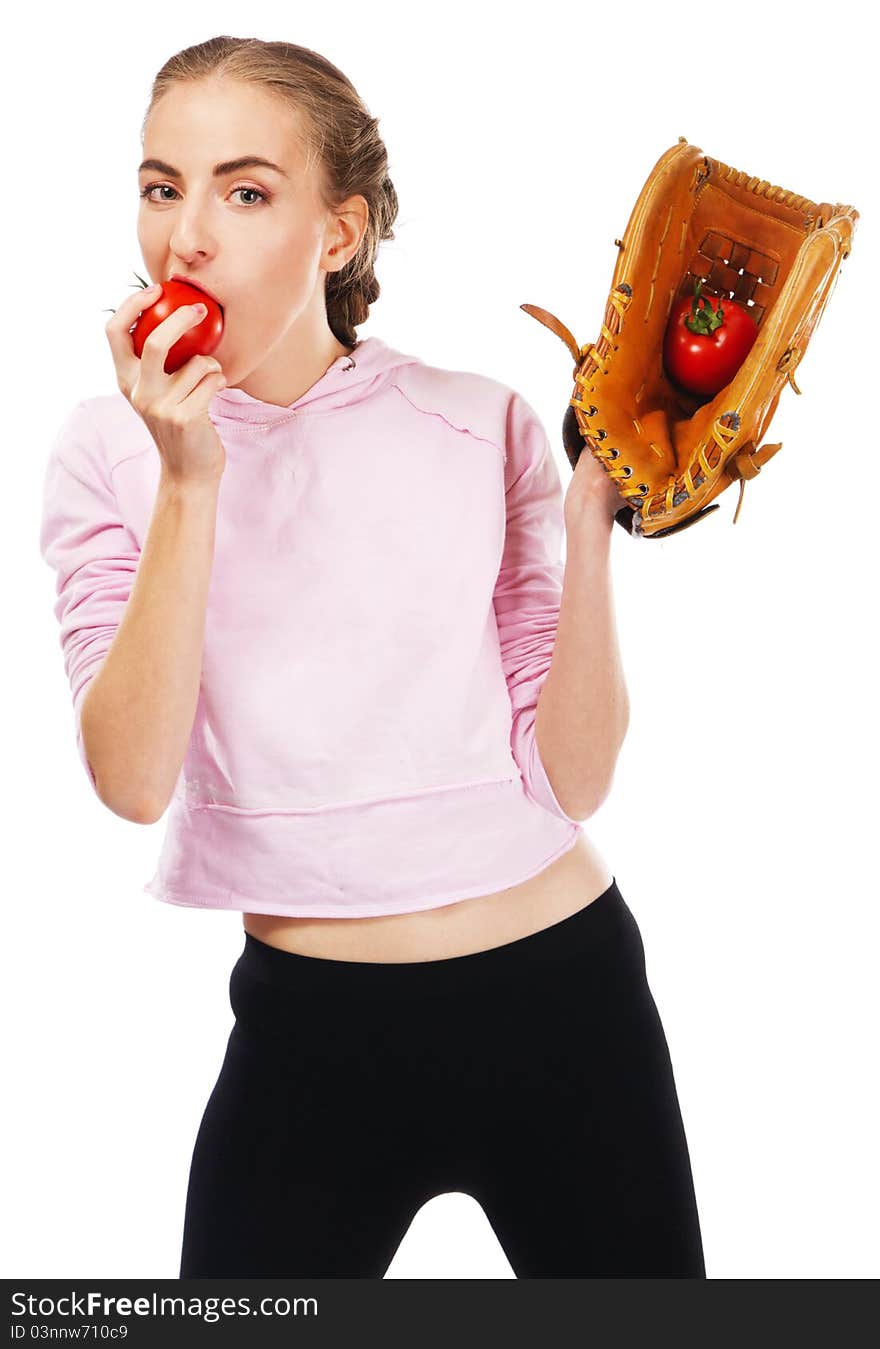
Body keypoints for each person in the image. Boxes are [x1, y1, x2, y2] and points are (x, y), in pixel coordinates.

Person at [38, 36, 705, 1278]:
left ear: (337, 234)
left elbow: (570, 781)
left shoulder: (474, 420)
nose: (186, 236)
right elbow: (131, 780)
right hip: (308, 1031)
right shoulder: (108, 454)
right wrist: (189, 478)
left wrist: (586, 531)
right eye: (160, 185)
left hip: (561, 997)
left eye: (244, 191)